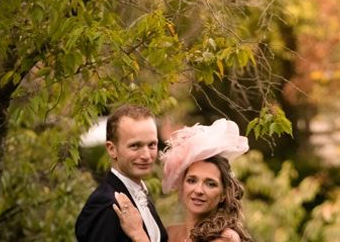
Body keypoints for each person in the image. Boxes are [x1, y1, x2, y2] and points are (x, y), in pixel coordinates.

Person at [114, 119, 252, 242]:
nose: (198, 190)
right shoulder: (169, 233)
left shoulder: (226, 238)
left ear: (223, 194)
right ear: (182, 184)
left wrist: (138, 235)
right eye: (192, 180)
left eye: (210, 184)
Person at [76, 104, 168, 242]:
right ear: (112, 149)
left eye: (151, 145)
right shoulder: (107, 205)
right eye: (135, 145)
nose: (146, 155)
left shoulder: (141, 195)